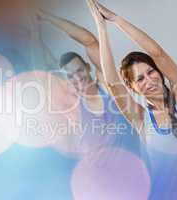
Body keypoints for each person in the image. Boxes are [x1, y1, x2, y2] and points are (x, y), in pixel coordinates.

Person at [86, 0, 177, 199]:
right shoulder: (141, 118)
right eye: (140, 78)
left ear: (159, 71)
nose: (149, 80)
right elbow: (113, 84)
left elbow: (158, 54)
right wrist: (101, 27)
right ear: (132, 88)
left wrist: (117, 20)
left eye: (151, 72)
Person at [36, 9, 142, 158]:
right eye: (71, 76)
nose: (78, 78)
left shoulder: (108, 86)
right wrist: (36, 35)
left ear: (88, 66)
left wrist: (48, 17)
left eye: (79, 70)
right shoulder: (72, 106)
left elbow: (90, 41)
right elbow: (43, 67)